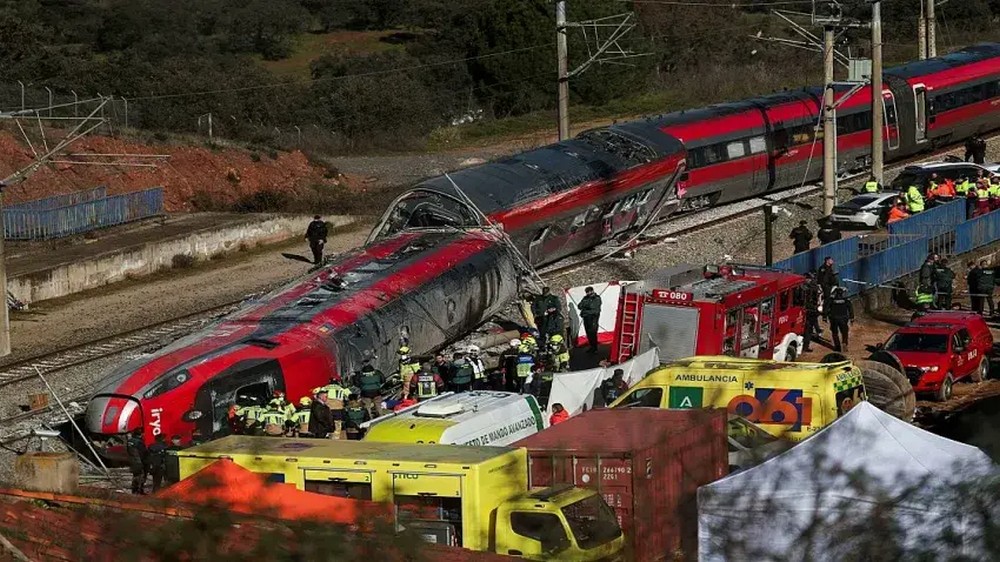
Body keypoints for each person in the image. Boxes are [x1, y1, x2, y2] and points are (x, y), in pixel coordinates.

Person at [825, 287, 854, 352]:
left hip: (834, 319)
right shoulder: (846, 300)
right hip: (843, 319)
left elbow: (826, 308)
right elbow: (850, 309)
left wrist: (824, 317)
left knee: (835, 333)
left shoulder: (831, 300)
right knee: (844, 332)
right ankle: (844, 342)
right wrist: (852, 318)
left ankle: (837, 346)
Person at [577, 287, 602, 353]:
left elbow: (594, 308)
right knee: (588, 333)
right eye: (587, 292)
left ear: (592, 291)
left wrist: (585, 308)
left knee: (593, 333)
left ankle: (595, 348)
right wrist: (586, 306)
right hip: (586, 318)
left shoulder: (596, 298)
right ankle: (591, 347)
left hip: (593, 318)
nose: (588, 293)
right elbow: (579, 306)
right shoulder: (585, 298)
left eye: (589, 291)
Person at [802, 273, 822, 353]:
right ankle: (818, 331)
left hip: (810, 309)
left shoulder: (809, 287)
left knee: (809, 327)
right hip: (811, 309)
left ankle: (818, 331)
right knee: (809, 328)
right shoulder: (813, 287)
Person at [126, 429, 148, 495]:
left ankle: (134, 489)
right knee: (141, 475)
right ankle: (139, 490)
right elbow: (143, 453)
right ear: (140, 434)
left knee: (135, 475)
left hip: (132, 460)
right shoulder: (139, 442)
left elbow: (128, 451)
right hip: (139, 461)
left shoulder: (129, 441)